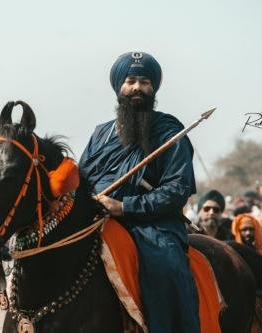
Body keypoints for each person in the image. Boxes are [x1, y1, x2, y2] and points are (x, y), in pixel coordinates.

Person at [79, 51, 199, 332]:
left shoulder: (169, 132)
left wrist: (125, 207)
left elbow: (177, 189)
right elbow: (81, 179)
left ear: (153, 88)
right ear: (119, 86)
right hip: (96, 218)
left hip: (152, 226)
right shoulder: (100, 134)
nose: (137, 88)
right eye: (130, 80)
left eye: (144, 82)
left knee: (166, 267)